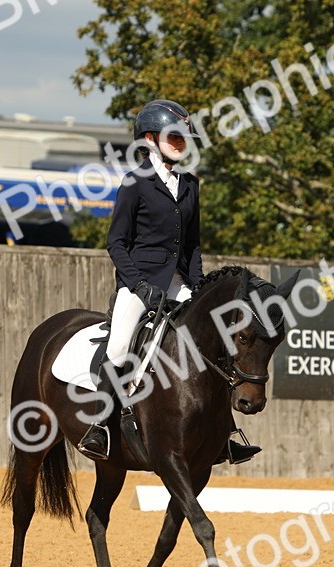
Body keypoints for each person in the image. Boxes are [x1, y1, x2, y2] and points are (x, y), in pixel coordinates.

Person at [76, 99, 261, 465]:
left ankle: (225, 433)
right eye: (173, 136)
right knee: (119, 347)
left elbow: (191, 245)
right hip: (139, 284)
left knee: (216, 342)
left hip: (180, 284)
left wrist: (199, 288)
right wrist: (138, 285)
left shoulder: (190, 184)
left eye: (183, 137)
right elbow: (116, 242)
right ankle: (99, 427)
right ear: (150, 138)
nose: (180, 142)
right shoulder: (135, 183)